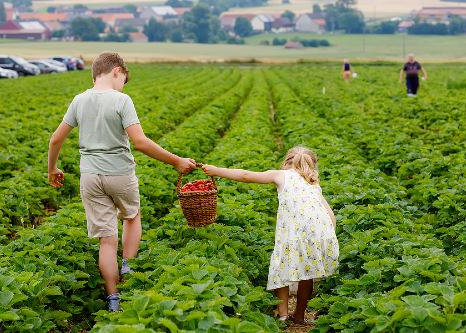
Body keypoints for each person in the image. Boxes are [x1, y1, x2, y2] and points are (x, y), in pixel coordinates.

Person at [47, 52, 196, 312]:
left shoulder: (79, 100)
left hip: (90, 176)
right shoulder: (121, 100)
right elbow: (139, 142)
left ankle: (113, 298)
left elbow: (55, 139)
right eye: (123, 79)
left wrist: (52, 169)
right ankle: (128, 265)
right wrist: (176, 161)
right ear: (117, 71)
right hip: (120, 173)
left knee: (106, 239)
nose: (123, 85)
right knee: (132, 215)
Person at [202, 146, 339, 324]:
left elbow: (245, 176)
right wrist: (328, 237)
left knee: (281, 264)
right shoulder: (312, 183)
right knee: (308, 273)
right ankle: (299, 316)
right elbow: (330, 214)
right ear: (311, 166)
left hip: (297, 230)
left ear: (286, 162)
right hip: (322, 230)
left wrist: (216, 170)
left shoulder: (281, 175)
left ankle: (282, 315)